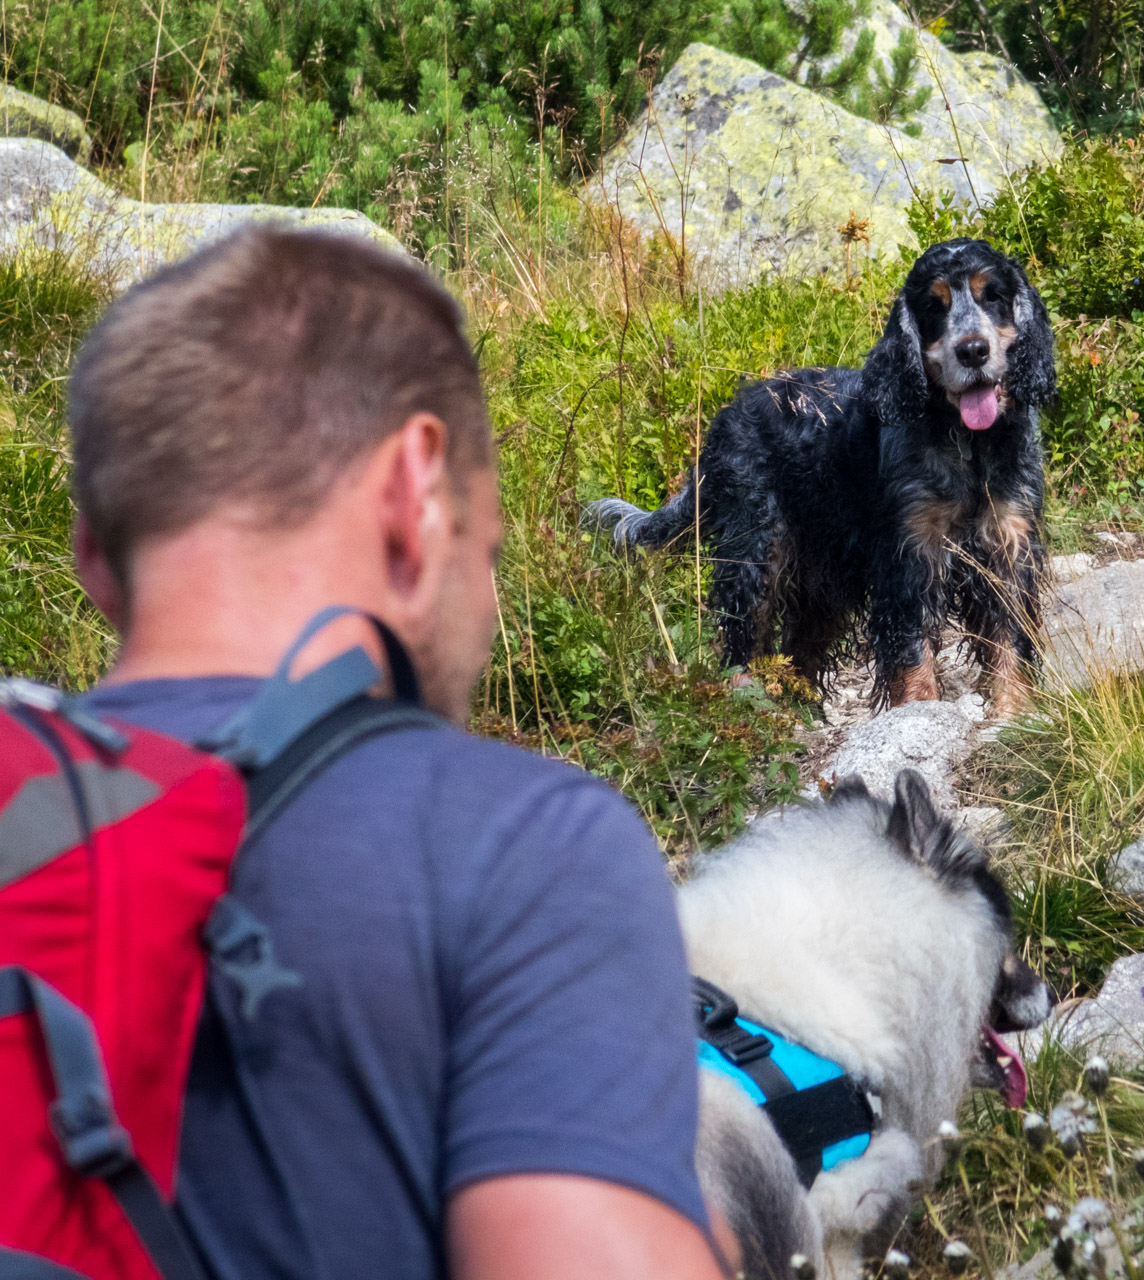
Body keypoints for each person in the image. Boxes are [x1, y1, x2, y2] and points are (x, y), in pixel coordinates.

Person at [63, 227, 728, 1280]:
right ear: (416, 492)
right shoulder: (526, 850)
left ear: (95, 554)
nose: (493, 600)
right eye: (491, 546)